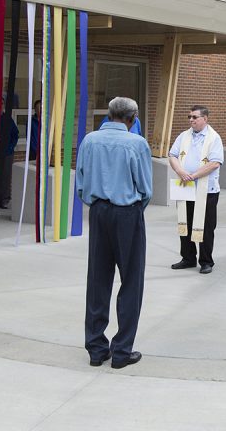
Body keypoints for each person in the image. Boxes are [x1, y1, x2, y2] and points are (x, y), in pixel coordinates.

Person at [75, 97, 152, 370]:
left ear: (109, 115)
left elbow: (81, 183)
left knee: (98, 278)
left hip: (98, 211)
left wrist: (97, 202)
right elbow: (145, 188)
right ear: (132, 118)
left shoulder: (90, 140)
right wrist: (131, 208)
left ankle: (96, 348)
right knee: (131, 279)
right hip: (126, 212)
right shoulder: (137, 143)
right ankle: (122, 350)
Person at [169, 105, 224, 274]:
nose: (191, 120)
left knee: (206, 227)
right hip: (185, 186)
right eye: (189, 117)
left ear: (205, 119)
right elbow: (173, 155)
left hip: (206, 190)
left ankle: (206, 261)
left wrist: (193, 176)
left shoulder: (214, 138)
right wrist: (180, 172)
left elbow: (214, 163)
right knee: (185, 223)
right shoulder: (183, 136)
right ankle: (188, 258)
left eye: (194, 117)